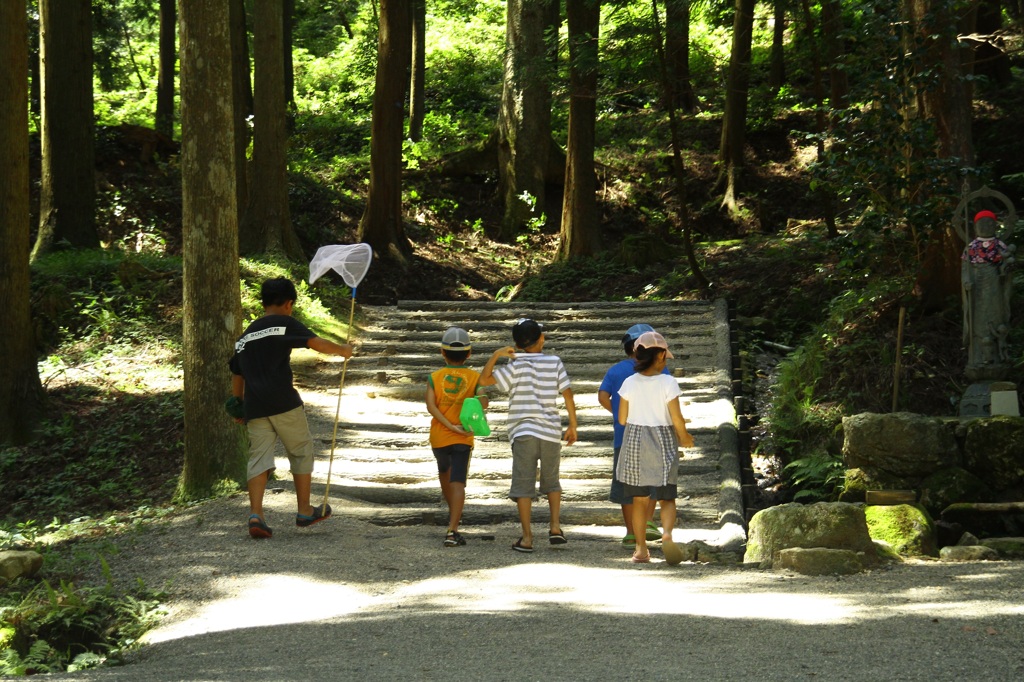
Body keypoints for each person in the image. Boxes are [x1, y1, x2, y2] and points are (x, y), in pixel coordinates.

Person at [229, 277, 353, 539]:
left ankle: (256, 514)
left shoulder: (245, 336)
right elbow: (315, 343)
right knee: (300, 451)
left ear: (263, 303)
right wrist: (342, 350)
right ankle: (305, 510)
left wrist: (238, 404)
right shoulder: (284, 323)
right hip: (284, 402)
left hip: (255, 406)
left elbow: (237, 373)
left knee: (259, 459)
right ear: (288, 304)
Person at [479, 318, 577, 553]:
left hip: (523, 432)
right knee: (552, 482)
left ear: (517, 344)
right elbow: (568, 394)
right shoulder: (554, 361)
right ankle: (555, 527)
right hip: (551, 432)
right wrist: (572, 425)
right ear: (541, 338)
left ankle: (527, 537)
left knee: (523, 485)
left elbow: (484, 380)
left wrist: (496, 355)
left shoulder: (514, 365)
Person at [616, 331, 694, 564]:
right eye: (665, 356)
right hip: (662, 440)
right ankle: (667, 534)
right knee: (666, 497)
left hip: (635, 441)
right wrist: (685, 437)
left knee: (639, 500)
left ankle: (641, 550)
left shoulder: (629, 383)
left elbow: (622, 419)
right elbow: (677, 418)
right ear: (659, 356)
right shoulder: (668, 382)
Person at [599, 323, 663, 548]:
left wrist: (617, 411)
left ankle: (629, 532)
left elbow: (602, 395)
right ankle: (646, 522)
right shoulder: (660, 369)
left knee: (627, 487)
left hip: (624, 437)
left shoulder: (615, 371)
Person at [425, 327, 487, 547]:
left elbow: (431, 407)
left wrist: (448, 425)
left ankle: (453, 519)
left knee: (444, 475)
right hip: (463, 436)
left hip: (440, 436)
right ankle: (452, 529)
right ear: (469, 354)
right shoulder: (474, 377)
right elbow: (483, 402)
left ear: (443, 352)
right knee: (458, 481)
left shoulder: (434, 377)